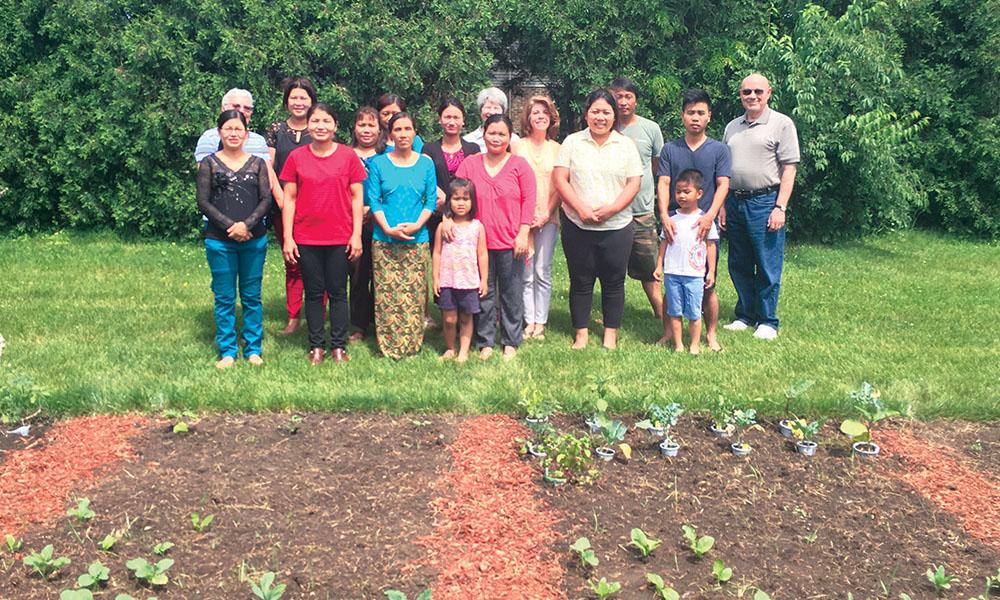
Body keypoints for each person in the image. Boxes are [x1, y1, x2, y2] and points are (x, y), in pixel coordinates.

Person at [553, 89, 642, 350]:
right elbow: (560, 178)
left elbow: (634, 183)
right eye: (595, 111)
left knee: (614, 282)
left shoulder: (625, 145)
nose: (600, 117)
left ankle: (610, 334)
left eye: (606, 112)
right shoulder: (572, 142)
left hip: (617, 226)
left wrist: (612, 208)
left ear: (614, 115)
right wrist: (580, 208)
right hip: (578, 224)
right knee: (580, 282)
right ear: (586, 113)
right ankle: (580, 334)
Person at [280, 103, 366, 364]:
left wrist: (356, 235)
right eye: (315, 121)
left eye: (326, 121)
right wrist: (288, 236)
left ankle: (339, 346)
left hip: (340, 236)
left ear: (335, 126)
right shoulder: (297, 157)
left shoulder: (348, 156)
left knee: (339, 292)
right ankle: (316, 345)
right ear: (308, 125)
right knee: (315, 292)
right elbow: (290, 198)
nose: (320, 126)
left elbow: (357, 196)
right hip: (306, 237)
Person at [722, 73, 800, 340]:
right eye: (746, 92)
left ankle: (768, 320)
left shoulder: (781, 124)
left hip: (765, 201)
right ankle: (745, 314)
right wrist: (722, 205)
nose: (752, 97)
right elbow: (724, 171)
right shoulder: (733, 127)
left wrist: (780, 207)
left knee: (767, 263)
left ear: (769, 93)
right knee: (739, 262)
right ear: (741, 95)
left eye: (757, 91)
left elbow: (789, 169)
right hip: (734, 201)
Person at [196, 110, 273, 368]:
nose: (233, 133)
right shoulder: (209, 163)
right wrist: (232, 226)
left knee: (251, 296)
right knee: (225, 297)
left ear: (246, 133)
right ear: (219, 132)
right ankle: (228, 350)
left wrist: (247, 225)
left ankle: (253, 349)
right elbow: (203, 202)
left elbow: (266, 199)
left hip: (254, 239)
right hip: (219, 240)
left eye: (238, 129)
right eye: (228, 128)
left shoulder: (258, 164)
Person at [455, 114, 535, 360]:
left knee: (511, 292)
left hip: (511, 241)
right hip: (477, 242)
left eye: (502, 134)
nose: (496, 138)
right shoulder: (470, 164)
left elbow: (529, 200)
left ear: (510, 137)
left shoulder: (520, 165)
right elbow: (456, 195)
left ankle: (511, 340)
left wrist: (524, 233)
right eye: (492, 133)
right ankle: (485, 341)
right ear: (483, 134)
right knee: (484, 293)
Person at [657, 89, 731, 351]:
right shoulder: (670, 149)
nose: (695, 118)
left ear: (709, 116)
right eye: (690, 113)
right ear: (682, 116)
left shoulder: (719, 150)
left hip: (703, 226)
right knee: (672, 281)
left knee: (708, 283)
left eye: (701, 113)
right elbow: (664, 182)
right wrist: (664, 214)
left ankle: (710, 334)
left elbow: (723, 184)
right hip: (676, 225)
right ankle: (669, 333)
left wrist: (710, 215)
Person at [365, 112, 437, 359]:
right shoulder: (379, 164)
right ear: (391, 134)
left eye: (408, 129)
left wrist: (417, 225)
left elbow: (431, 201)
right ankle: (388, 345)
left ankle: (412, 344)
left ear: (415, 132)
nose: (403, 134)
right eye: (398, 130)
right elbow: (374, 201)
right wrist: (387, 228)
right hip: (384, 239)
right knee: (387, 295)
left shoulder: (426, 163)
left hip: (417, 240)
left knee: (414, 295)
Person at [610, 77, 665, 320]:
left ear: (636, 100)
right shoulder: (603, 126)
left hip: (641, 211)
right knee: (612, 269)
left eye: (628, 96)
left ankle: (662, 315)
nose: (623, 102)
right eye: (618, 96)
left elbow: (656, 166)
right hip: (611, 212)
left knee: (649, 270)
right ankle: (613, 315)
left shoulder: (650, 129)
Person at [265, 77, 317, 336]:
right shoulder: (276, 129)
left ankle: (317, 315)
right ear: (287, 101)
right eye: (294, 97)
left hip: (315, 210)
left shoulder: (319, 128)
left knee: (317, 264)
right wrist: (281, 199)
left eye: (303, 97)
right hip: (283, 206)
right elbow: (270, 167)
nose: (298, 102)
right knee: (293, 263)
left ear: (311, 101)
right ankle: (294, 316)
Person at [511, 95, 561, 340]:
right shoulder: (518, 146)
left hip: (548, 217)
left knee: (543, 269)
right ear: (528, 118)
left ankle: (541, 322)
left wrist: (546, 214)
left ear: (551, 117)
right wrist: (525, 217)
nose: (540, 117)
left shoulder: (558, 149)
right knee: (526, 271)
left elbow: (561, 186)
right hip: (522, 218)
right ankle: (528, 320)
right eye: (535, 113)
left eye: (544, 112)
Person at [654, 169, 718, 354]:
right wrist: (659, 266)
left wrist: (711, 271)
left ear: (699, 193)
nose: (681, 196)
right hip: (673, 274)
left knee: (694, 312)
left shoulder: (705, 221)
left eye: (686, 192)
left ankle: (694, 345)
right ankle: (678, 345)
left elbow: (711, 246)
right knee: (674, 311)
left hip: (694, 275)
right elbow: (664, 243)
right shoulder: (671, 219)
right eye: (678, 191)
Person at [432, 179, 488, 363]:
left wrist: (484, 279)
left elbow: (482, 255)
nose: (461, 203)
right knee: (449, 319)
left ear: (472, 202)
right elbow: (437, 254)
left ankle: (463, 351)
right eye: (456, 199)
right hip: (447, 281)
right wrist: (435, 279)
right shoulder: (443, 227)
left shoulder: (477, 227)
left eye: (466, 199)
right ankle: (450, 348)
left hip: (469, 281)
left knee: (465, 317)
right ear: (449, 202)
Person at [422, 98, 481, 243]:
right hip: (436, 214)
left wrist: (451, 203)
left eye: (456, 117)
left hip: (466, 217)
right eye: (447, 117)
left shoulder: (473, 149)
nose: (452, 121)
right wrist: (445, 207)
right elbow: (426, 178)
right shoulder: (428, 149)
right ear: (440, 120)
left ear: (463, 121)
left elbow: (476, 181)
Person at [348, 106, 382, 342]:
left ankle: (381, 321)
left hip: (382, 223)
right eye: (362, 125)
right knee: (358, 275)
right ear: (354, 128)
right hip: (353, 223)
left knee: (381, 274)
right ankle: (359, 325)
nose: (366, 130)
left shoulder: (389, 154)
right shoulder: (345, 154)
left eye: (371, 125)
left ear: (380, 130)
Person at [194, 88, 271, 162]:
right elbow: (204, 172)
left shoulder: (259, 141)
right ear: (223, 109)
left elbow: (268, 173)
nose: (241, 111)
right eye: (236, 106)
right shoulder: (210, 138)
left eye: (247, 108)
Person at [463, 87, 520, 152]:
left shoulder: (514, 140)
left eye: (496, 108)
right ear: (480, 110)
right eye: (488, 107)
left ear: (503, 112)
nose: (492, 112)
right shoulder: (468, 140)